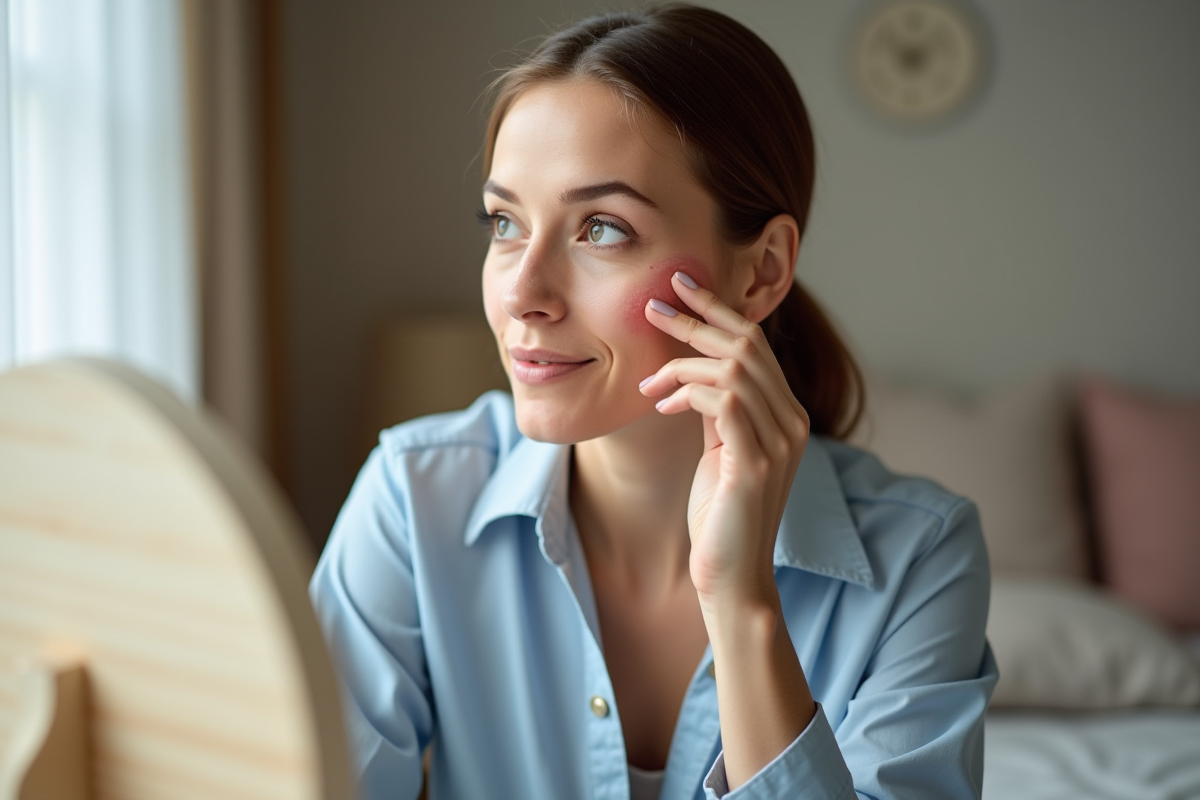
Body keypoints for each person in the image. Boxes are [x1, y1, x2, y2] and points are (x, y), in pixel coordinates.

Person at [309, 5, 997, 799]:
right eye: (505, 223)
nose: (522, 293)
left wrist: (743, 607)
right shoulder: (412, 497)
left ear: (763, 270)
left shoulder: (921, 558)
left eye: (601, 228)